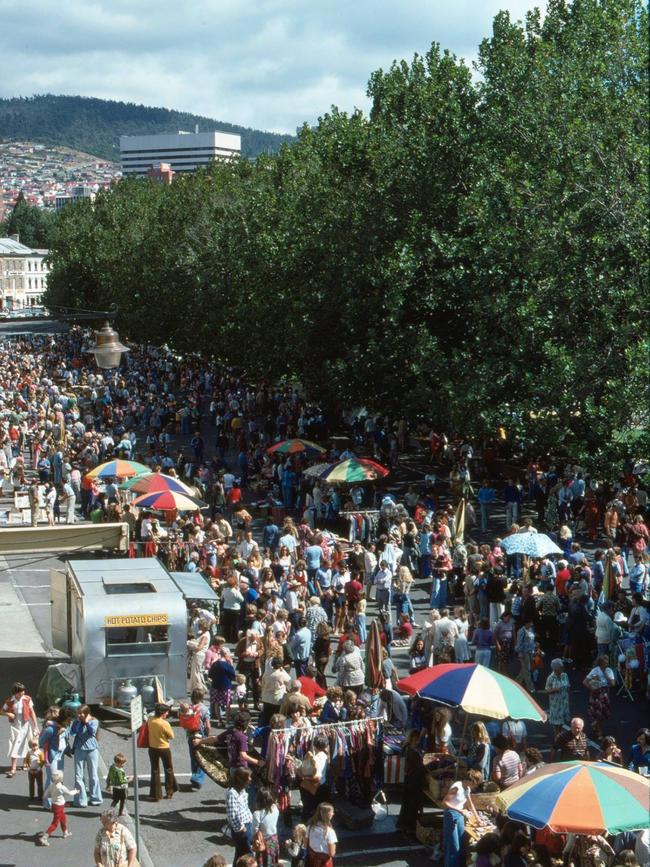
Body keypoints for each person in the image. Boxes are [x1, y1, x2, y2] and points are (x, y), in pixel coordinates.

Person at [1, 681, 38, 778]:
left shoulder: (27, 699)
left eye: (23, 690)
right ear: (16, 692)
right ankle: (13, 768)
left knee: (28, 744)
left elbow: (32, 713)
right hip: (15, 725)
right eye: (21, 691)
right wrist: (8, 714)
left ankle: (26, 762)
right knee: (14, 745)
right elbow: (1, 711)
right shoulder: (10, 701)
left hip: (25, 724)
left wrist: (35, 726)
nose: (23, 692)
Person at [442, 777, 480, 867]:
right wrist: (459, 810)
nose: (475, 787)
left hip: (460, 815)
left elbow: (470, 804)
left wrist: (478, 818)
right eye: (475, 784)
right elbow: (444, 803)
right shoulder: (456, 787)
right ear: (471, 781)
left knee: (462, 842)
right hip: (451, 815)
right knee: (454, 846)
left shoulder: (467, 788)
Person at [71, 704, 103, 806]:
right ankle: (81, 800)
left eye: (81, 713)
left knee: (93, 775)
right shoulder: (76, 722)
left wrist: (86, 722)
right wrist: (78, 723)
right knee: (78, 775)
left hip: (91, 750)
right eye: (78, 713)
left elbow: (91, 732)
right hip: (79, 749)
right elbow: (73, 732)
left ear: (86, 713)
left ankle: (95, 798)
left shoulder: (94, 721)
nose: (79, 715)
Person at [37, 769, 78, 846]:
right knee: (55, 823)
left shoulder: (51, 785)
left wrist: (51, 795)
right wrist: (75, 791)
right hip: (59, 806)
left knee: (63, 818)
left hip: (54, 805)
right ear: (61, 778)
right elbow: (69, 793)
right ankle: (44, 837)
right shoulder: (61, 787)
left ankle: (65, 832)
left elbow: (45, 795)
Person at [147, 703, 178, 801]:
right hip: (164, 748)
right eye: (166, 712)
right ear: (162, 713)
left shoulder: (150, 720)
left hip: (152, 748)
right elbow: (171, 736)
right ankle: (169, 791)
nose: (167, 714)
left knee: (155, 770)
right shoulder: (165, 723)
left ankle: (155, 795)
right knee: (168, 769)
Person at [583, 655, 616, 739]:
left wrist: (605, 674)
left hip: (605, 693)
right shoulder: (595, 670)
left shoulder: (609, 670)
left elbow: (612, 684)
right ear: (601, 663)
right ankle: (599, 733)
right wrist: (592, 688)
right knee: (599, 714)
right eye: (605, 662)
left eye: (607, 662)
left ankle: (594, 724)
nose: (607, 664)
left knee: (604, 713)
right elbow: (585, 682)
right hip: (596, 693)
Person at [227, 767, 254, 864]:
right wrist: (241, 828)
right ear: (242, 779)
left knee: (240, 854)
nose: (250, 779)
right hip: (242, 828)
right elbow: (232, 814)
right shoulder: (232, 793)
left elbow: (245, 808)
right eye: (248, 777)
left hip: (247, 824)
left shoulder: (243, 791)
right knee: (248, 855)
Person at [252, 786, 280, 866]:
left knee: (263, 863)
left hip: (263, 842)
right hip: (274, 839)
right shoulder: (275, 808)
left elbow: (255, 830)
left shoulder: (257, 814)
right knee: (273, 861)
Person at [306, 802, 337, 867]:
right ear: (327, 814)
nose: (333, 814)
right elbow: (332, 853)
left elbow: (306, 844)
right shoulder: (330, 831)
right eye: (332, 812)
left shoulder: (310, 827)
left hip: (312, 860)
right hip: (324, 863)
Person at [545, 659, 571, 734]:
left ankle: (559, 734)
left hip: (564, 702)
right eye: (561, 667)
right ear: (555, 668)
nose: (563, 668)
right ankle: (557, 737)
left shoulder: (565, 675)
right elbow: (547, 690)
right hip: (555, 704)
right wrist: (555, 689)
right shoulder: (551, 678)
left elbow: (568, 686)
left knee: (562, 721)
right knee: (556, 723)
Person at [106, 752, 130, 816]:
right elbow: (121, 781)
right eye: (123, 763)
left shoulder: (112, 767)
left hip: (115, 787)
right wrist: (129, 780)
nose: (124, 765)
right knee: (123, 800)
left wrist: (108, 784)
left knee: (115, 800)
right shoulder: (119, 771)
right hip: (122, 788)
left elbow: (109, 776)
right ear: (119, 763)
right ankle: (121, 812)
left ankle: (110, 810)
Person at [26, 736, 44, 801]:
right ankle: (31, 796)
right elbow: (26, 760)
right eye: (32, 746)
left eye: (35, 745)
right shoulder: (29, 753)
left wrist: (39, 767)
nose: (34, 747)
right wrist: (27, 767)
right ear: (30, 746)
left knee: (40, 784)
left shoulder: (40, 752)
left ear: (38, 745)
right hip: (30, 771)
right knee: (31, 784)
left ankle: (40, 796)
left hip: (38, 770)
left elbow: (42, 761)